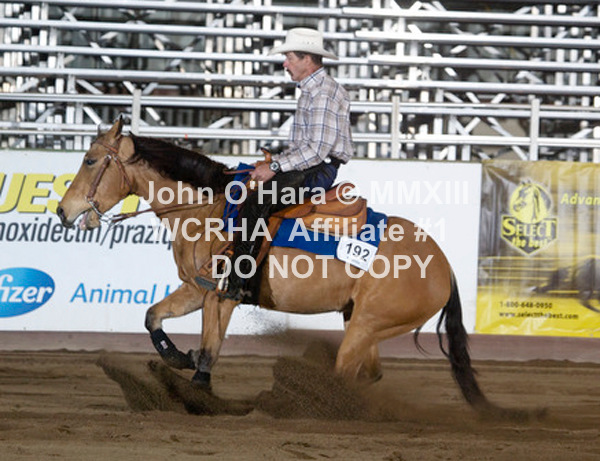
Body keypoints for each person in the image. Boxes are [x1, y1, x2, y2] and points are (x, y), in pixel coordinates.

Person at [221, 27, 354, 300]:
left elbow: (316, 150)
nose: (284, 64)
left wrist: (274, 167)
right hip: (312, 165)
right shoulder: (312, 90)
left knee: (258, 201)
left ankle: (238, 279)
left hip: (318, 169)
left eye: (289, 57)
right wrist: (277, 162)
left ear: (308, 59)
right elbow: (307, 148)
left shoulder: (322, 93)